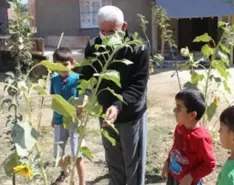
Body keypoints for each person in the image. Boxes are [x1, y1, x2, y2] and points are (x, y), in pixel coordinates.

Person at [73, 5, 149, 185]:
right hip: (105, 114)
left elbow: (139, 85)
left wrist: (118, 105)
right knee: (113, 161)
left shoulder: (138, 49)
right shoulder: (93, 46)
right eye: (102, 31)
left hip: (130, 114)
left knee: (133, 164)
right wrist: (84, 96)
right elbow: (87, 75)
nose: (106, 36)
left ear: (123, 27)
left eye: (111, 31)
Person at [161, 89, 216, 185]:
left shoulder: (201, 138)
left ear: (192, 115)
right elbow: (175, 148)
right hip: (174, 176)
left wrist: (191, 176)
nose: (174, 110)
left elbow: (209, 164)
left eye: (179, 108)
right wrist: (167, 162)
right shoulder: (179, 128)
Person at [50, 47, 85, 185]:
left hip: (74, 121)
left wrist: (81, 113)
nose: (62, 69)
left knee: (78, 155)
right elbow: (55, 100)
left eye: (65, 65)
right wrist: (53, 118)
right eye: (58, 66)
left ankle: (82, 182)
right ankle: (65, 172)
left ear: (72, 63)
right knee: (57, 154)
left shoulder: (78, 79)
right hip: (59, 121)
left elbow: (83, 100)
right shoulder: (54, 80)